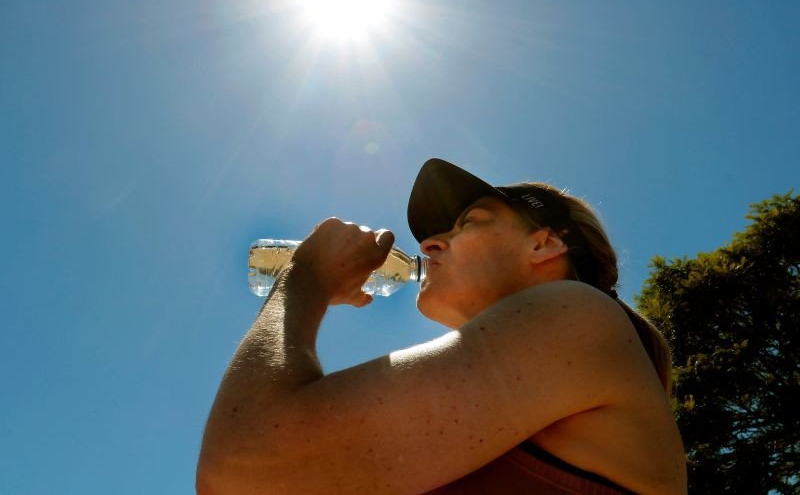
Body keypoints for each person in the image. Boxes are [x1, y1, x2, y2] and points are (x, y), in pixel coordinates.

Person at [197, 158, 688, 494]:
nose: (429, 244)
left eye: (469, 222)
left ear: (544, 244)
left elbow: (242, 469)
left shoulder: (579, 316)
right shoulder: (525, 386)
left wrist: (305, 277)